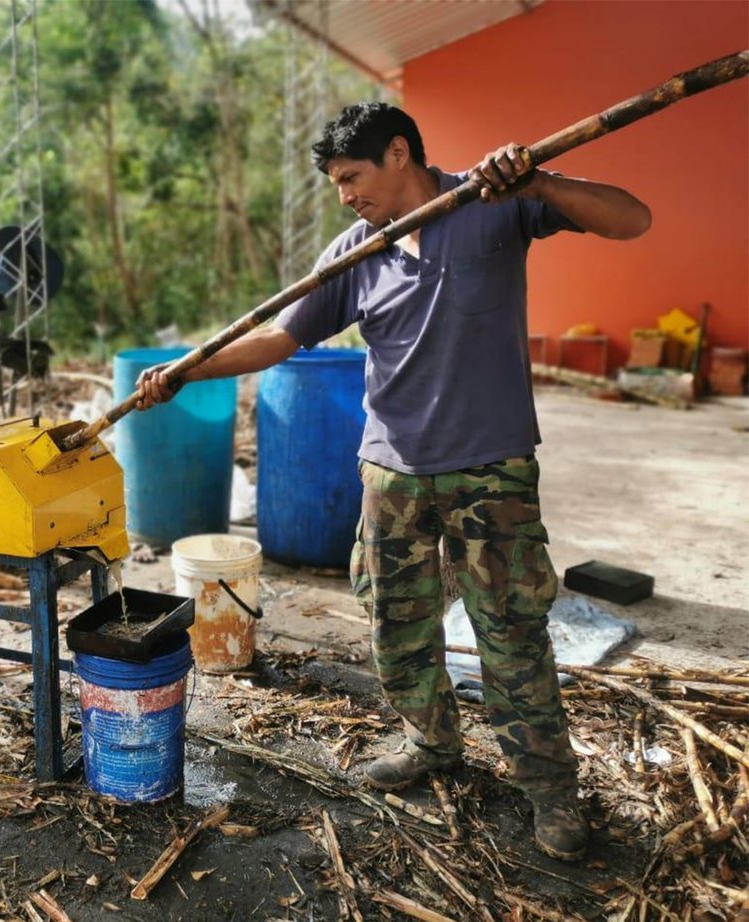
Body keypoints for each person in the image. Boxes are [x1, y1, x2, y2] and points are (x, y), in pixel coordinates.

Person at [133, 102, 650, 861]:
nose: (344, 194)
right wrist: (186, 370)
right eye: (335, 183)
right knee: (397, 627)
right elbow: (281, 337)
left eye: (352, 176)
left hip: (490, 470)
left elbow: (630, 220)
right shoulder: (354, 251)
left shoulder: (492, 205)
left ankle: (550, 790)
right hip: (391, 472)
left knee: (511, 632)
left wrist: (540, 182)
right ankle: (431, 744)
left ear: (400, 152)